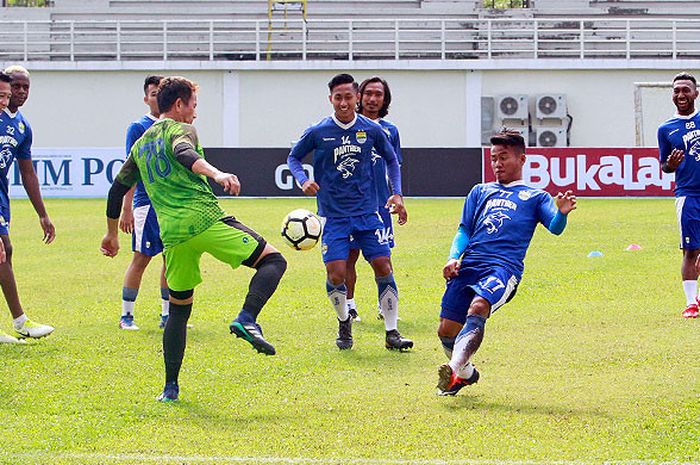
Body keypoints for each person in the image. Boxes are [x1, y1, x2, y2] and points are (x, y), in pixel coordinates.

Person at [101, 76, 287, 402]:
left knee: (178, 311)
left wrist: (111, 232)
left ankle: (169, 388)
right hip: (204, 221)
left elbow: (117, 189)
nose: (195, 114)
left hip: (172, 237)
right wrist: (217, 174)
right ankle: (247, 318)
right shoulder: (180, 129)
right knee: (273, 260)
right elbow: (184, 152)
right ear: (179, 104)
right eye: (194, 106)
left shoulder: (141, 144)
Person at [436, 129, 576, 396]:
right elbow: (464, 230)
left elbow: (555, 228)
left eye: (503, 158)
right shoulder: (479, 191)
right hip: (470, 265)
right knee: (446, 330)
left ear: (521, 159)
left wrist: (561, 214)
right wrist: (453, 257)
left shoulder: (535, 197)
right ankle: (466, 374)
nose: (497, 164)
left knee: (479, 307)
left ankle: (453, 368)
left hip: (503, 268)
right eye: (493, 158)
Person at [287, 73, 412, 351]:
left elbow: (392, 160)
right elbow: (294, 157)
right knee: (336, 274)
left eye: (348, 97)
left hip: (368, 213)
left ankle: (392, 332)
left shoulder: (371, 129)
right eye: (338, 97)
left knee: (383, 266)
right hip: (334, 216)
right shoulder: (318, 131)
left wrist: (397, 193)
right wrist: (303, 180)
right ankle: (344, 322)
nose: (344, 103)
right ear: (330, 99)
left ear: (356, 98)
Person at [0, 66, 56, 344]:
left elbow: (28, 173)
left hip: (1, 197)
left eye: (25, 88)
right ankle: (21, 321)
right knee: (4, 250)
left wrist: (43, 215)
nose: (20, 92)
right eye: (16, 87)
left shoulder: (22, 126)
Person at [346, 76, 404, 323]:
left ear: (385, 98)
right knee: (349, 257)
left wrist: (398, 195)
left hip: (380, 205)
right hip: (349, 206)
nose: (372, 99)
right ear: (359, 96)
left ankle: (386, 306)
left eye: (378, 94)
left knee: (383, 258)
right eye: (368, 93)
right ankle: (349, 306)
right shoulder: (346, 127)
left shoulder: (390, 130)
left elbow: (394, 165)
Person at [117, 75, 169, 330]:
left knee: (171, 259)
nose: (157, 97)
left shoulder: (175, 125)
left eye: (161, 92)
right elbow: (131, 169)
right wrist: (127, 208)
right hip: (146, 204)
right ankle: (127, 316)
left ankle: (168, 315)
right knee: (141, 258)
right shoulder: (138, 127)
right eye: (153, 93)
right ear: (146, 98)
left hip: (170, 204)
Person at [658, 72, 700, 319]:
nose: (681, 95)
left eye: (686, 90)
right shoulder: (666, 129)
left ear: (695, 93)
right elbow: (664, 166)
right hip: (688, 195)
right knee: (690, 250)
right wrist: (671, 165)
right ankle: (690, 303)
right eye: (677, 91)